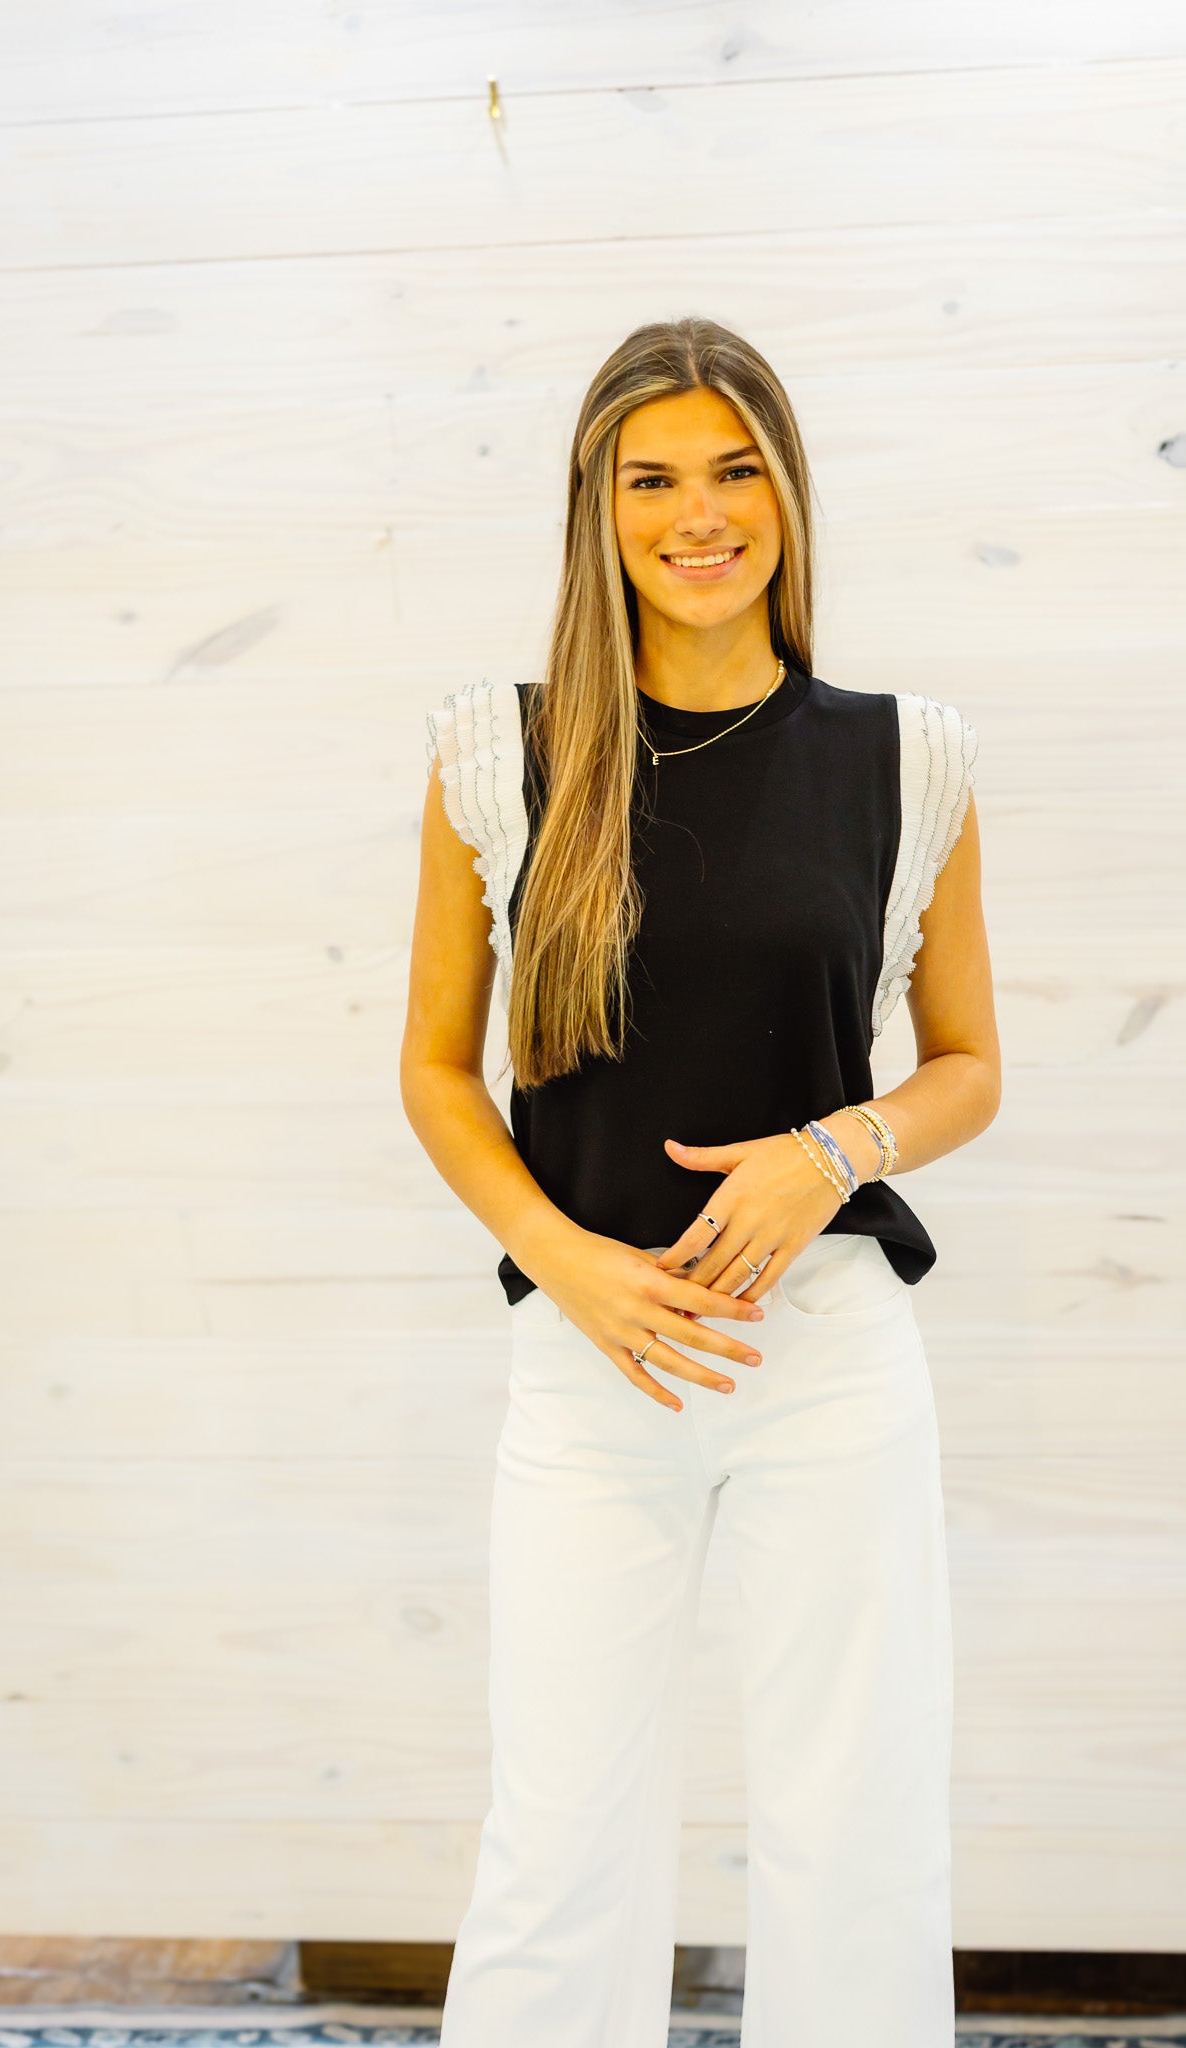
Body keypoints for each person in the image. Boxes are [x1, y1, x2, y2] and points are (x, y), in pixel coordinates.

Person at [400, 314, 1000, 2048]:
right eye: (651, 481)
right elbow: (436, 1068)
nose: (700, 516)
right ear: (597, 511)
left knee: (856, 1826)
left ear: (788, 491)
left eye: (735, 471)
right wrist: (562, 1259)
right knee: (560, 1841)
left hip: (829, 1354)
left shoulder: (908, 755)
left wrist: (832, 1153)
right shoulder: (496, 750)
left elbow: (966, 1062)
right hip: (593, 1360)